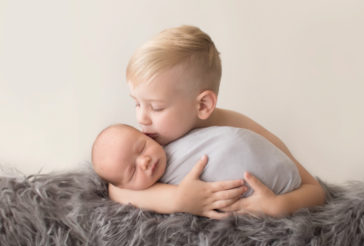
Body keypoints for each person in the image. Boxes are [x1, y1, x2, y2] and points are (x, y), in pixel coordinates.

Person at [108, 25, 325, 218]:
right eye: (137, 103)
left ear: (203, 105)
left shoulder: (240, 129)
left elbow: (314, 190)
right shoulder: (150, 140)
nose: (141, 118)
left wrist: (278, 206)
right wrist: (178, 200)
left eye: (156, 107)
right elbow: (116, 188)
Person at [92, 123, 302, 202]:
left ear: (148, 136)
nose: (145, 161)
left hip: (273, 162)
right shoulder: (156, 190)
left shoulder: (172, 133)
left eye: (142, 147)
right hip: (272, 186)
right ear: (128, 185)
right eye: (132, 171)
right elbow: (117, 191)